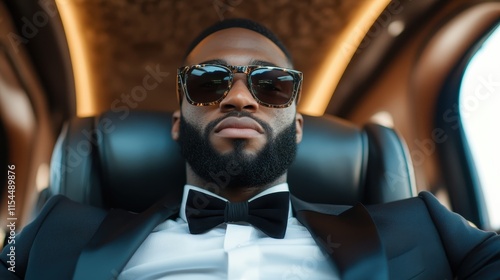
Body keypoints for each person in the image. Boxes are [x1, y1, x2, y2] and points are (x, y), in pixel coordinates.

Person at [1, 18, 500, 280]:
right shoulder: (55, 231)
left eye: (273, 86)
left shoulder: (423, 227)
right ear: (178, 122)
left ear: (298, 126)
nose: (239, 97)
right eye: (209, 81)